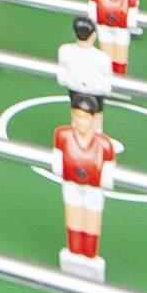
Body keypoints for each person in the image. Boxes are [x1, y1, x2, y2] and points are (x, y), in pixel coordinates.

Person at [52, 93, 116, 279]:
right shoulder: (63, 136)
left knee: (91, 219)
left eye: (84, 117)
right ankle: (75, 252)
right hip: (71, 184)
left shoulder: (104, 145)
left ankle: (88, 255)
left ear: (93, 119)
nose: (80, 121)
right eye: (77, 116)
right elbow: (57, 163)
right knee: (74, 218)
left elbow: (108, 174)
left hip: (93, 187)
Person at [88, 0, 138, 75]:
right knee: (105, 58)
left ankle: (120, 80)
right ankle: (106, 79)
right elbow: (92, 12)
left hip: (121, 29)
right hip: (104, 27)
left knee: (121, 59)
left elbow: (132, 20)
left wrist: (127, 23)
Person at [57, 16, 114, 100]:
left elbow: (62, 78)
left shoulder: (64, 50)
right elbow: (107, 86)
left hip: (73, 89)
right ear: (94, 35)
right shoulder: (103, 58)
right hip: (96, 93)